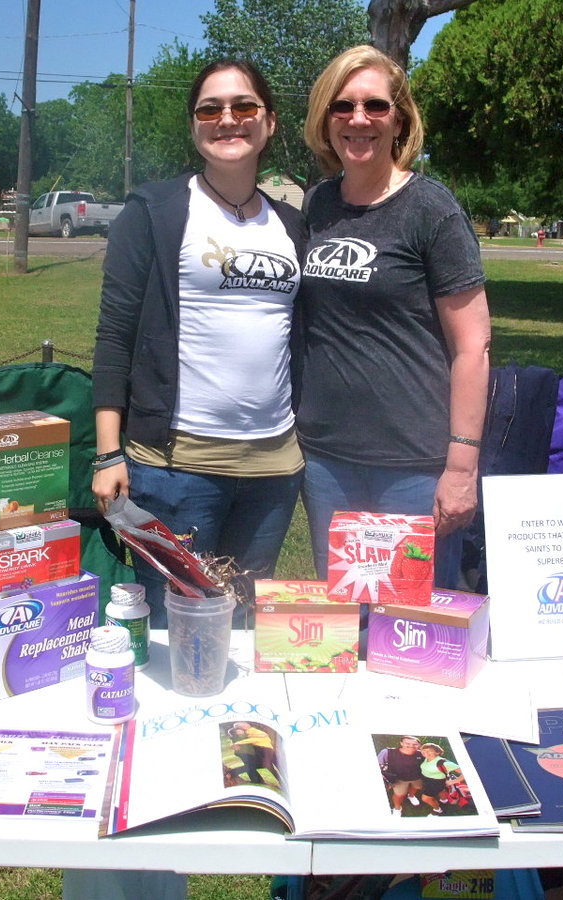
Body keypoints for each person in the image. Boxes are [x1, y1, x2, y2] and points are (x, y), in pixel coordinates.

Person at [90, 58, 309, 625]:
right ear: (194, 126)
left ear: (269, 122)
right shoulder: (155, 213)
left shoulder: (292, 225)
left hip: (273, 469)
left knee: (237, 623)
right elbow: (115, 334)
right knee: (171, 624)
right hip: (175, 467)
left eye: (243, 107)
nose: (227, 119)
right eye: (210, 109)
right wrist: (108, 452)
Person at [298, 45, 492, 589]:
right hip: (325, 460)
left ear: (399, 119)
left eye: (375, 106)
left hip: (413, 464)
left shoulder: (432, 210)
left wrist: (461, 468)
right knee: (345, 618)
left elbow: (472, 345)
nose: (358, 119)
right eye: (343, 106)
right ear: (325, 118)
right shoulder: (316, 207)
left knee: (409, 632)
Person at [377, 735, 425, 816]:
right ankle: (397, 808)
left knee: (416, 787)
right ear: (401, 743)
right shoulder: (387, 752)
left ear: (419, 745)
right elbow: (378, 764)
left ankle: (411, 796)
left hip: (417, 777)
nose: (411, 746)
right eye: (407, 743)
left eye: (415, 744)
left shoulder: (422, 754)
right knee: (399, 795)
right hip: (398, 779)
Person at [417, 742, 464, 815]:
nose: (425, 752)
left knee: (425, 798)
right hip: (427, 779)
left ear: (437, 752)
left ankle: (437, 810)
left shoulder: (443, 763)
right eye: (423, 750)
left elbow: (465, 772)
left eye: (429, 750)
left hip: (436, 782)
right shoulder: (427, 758)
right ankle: (444, 801)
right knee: (441, 791)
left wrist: (454, 781)